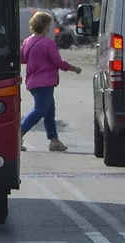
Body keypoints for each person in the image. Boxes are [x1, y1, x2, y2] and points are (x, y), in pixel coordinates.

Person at [20, 10, 80, 152]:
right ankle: (19, 133)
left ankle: (54, 140)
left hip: (33, 82)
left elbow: (22, 59)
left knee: (49, 111)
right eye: (49, 24)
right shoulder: (48, 44)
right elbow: (58, 62)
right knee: (40, 110)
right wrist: (74, 68)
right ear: (46, 25)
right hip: (45, 83)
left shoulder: (28, 41)